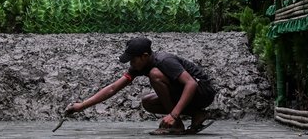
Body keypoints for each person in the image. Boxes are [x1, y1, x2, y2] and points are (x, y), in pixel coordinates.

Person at [65, 37, 216, 135]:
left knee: (155, 75)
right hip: (187, 92)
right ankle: (196, 114)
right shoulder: (139, 66)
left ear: (144, 56)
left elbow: (191, 83)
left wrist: (173, 115)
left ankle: (176, 123)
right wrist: (81, 106)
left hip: (203, 91)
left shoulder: (164, 60)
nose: (131, 64)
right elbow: (113, 88)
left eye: (132, 60)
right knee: (147, 102)